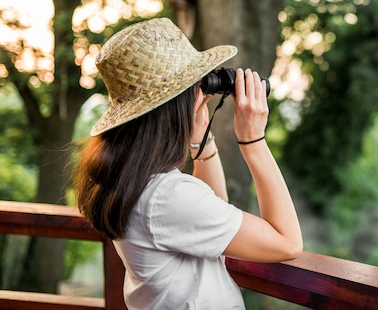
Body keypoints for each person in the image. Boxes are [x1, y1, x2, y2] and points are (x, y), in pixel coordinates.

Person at [73, 18, 302, 309]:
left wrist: (200, 138)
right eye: (195, 85)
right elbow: (288, 244)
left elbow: (212, 208)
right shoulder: (165, 195)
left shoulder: (130, 179)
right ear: (175, 105)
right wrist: (253, 141)